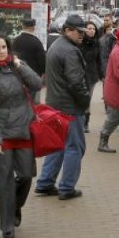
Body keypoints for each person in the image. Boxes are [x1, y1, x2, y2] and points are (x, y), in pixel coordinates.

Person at [0, 32, 43, 238]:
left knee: (26, 175)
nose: (1, 51)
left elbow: (36, 84)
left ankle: (15, 206)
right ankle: (7, 224)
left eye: (4, 47)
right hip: (3, 133)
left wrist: (19, 65)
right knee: (4, 181)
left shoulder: (16, 66)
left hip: (23, 128)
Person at [35, 15, 90, 201]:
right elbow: (76, 82)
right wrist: (85, 100)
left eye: (83, 31)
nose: (82, 34)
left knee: (56, 145)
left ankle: (45, 182)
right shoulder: (70, 51)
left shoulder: (56, 46)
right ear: (67, 30)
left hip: (54, 104)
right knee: (75, 147)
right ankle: (67, 187)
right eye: (78, 31)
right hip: (70, 106)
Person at [12, 18, 46, 104]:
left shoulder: (16, 40)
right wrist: (43, 73)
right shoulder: (37, 42)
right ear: (33, 28)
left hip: (18, 74)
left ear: (23, 27)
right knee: (31, 100)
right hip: (33, 76)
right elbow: (42, 61)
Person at [81, 21, 103, 133]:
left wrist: (101, 74)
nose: (92, 31)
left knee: (87, 99)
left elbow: (99, 60)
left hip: (92, 75)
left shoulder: (97, 43)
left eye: (93, 29)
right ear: (84, 30)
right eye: (89, 28)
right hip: (80, 74)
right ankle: (79, 120)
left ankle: (85, 123)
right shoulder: (80, 42)